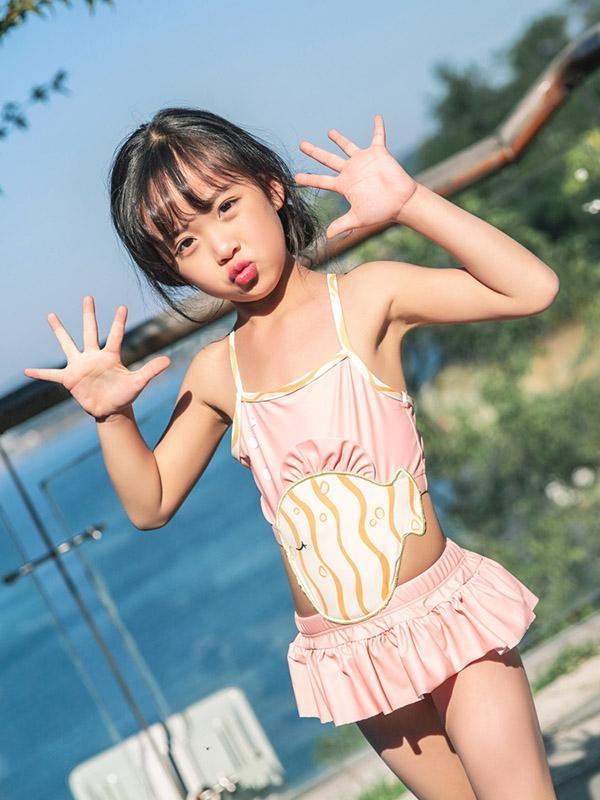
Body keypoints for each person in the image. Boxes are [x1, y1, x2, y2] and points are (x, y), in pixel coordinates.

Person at [24, 108, 559, 800]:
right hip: (352, 656)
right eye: (186, 242)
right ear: (170, 268)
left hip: (446, 618)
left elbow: (531, 288)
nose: (222, 246)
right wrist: (113, 417)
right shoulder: (217, 372)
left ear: (273, 187)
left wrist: (410, 202)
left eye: (225, 206)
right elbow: (149, 503)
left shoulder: (366, 296)